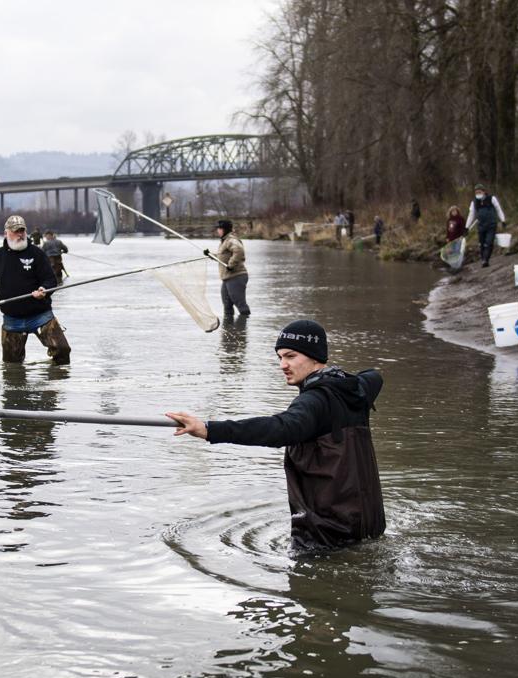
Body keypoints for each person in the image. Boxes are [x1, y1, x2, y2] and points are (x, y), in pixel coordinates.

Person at [165, 320, 385, 551]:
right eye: (280, 357)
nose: (283, 365)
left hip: (325, 536)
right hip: (368, 524)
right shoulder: (356, 389)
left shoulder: (313, 401)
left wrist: (209, 429)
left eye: (290, 356)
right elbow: (374, 376)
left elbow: (280, 428)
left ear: (315, 356)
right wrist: (337, 377)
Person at [0, 214, 71, 365]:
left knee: (63, 351)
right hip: (12, 320)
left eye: (22, 231)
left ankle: (53, 385)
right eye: (15, 231)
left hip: (41, 315)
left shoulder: (37, 254)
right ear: (6, 233)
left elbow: (50, 279)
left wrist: (44, 289)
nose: (20, 234)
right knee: (11, 366)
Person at [208, 219, 249, 318]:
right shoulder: (224, 241)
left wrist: (231, 265)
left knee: (240, 304)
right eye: (218, 228)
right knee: (227, 306)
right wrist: (210, 255)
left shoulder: (231, 240)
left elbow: (239, 251)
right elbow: (222, 257)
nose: (218, 230)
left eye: (220, 228)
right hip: (227, 278)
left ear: (225, 229)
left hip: (236, 276)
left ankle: (243, 328)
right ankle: (229, 330)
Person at [468, 183, 506, 268]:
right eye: (476, 192)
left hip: (491, 224)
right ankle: (483, 259)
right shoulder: (474, 202)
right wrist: (466, 227)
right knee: (481, 244)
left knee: (489, 243)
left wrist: (503, 220)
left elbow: (498, 210)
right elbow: (471, 215)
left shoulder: (492, 198)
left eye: (479, 192)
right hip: (481, 226)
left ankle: (485, 259)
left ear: (484, 191)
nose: (478, 194)